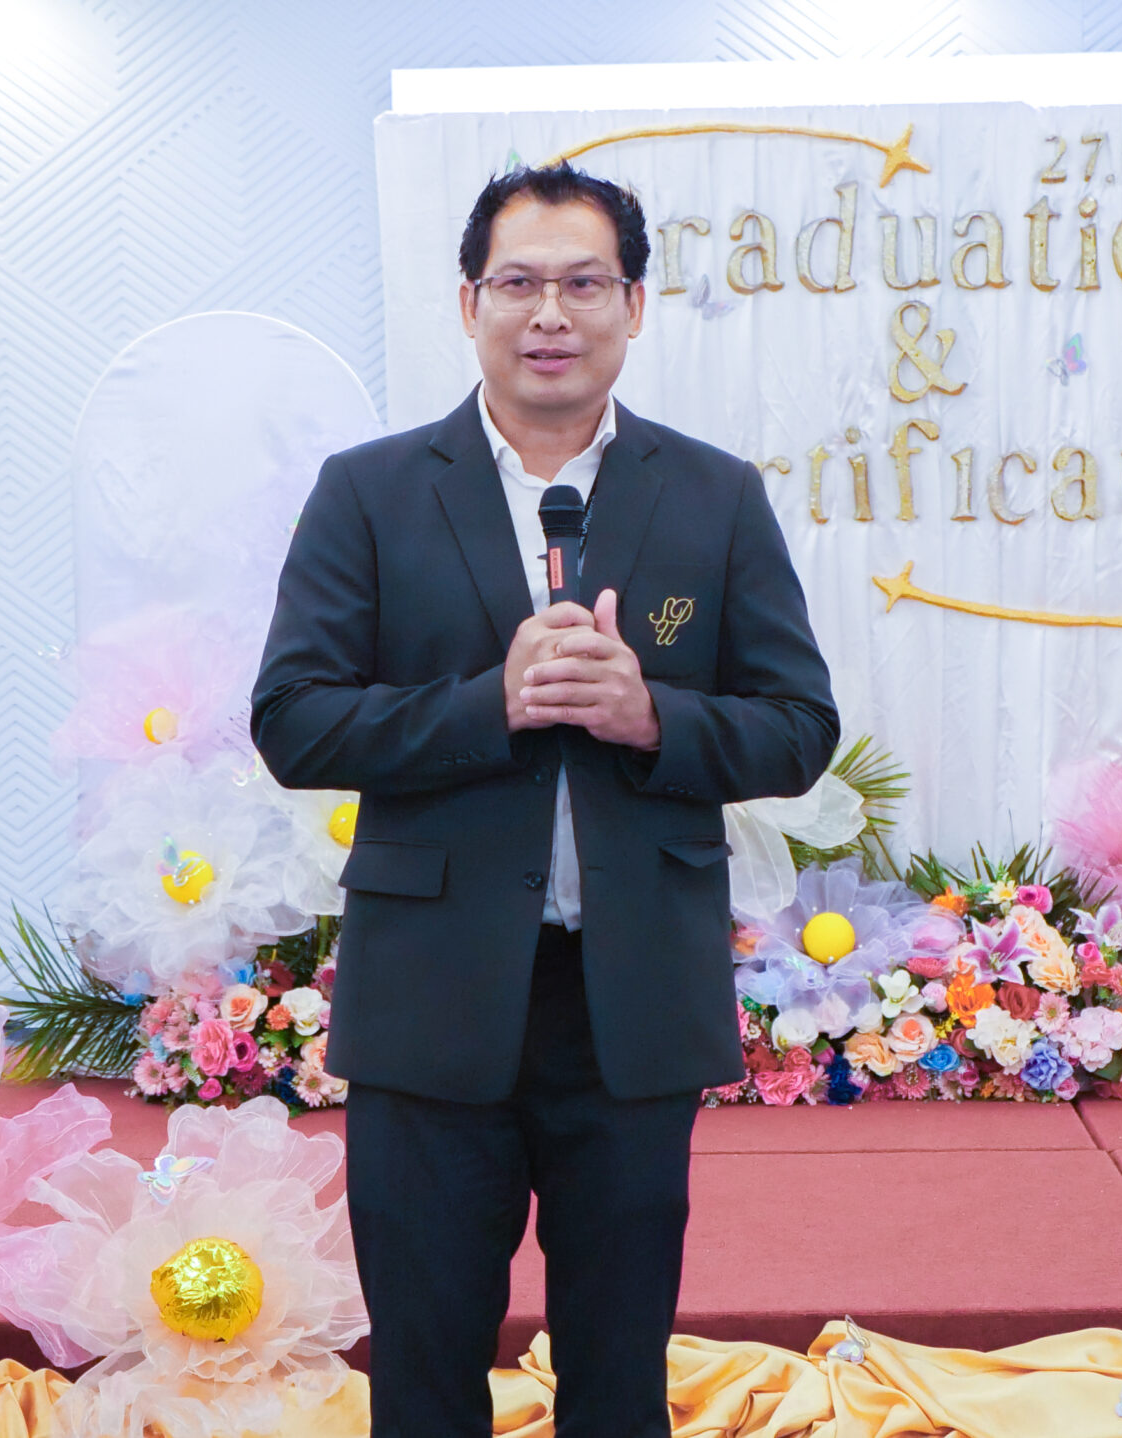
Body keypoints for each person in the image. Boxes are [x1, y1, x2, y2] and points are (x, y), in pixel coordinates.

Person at [250, 164, 838, 1436]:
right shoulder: (370, 490)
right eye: (518, 282)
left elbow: (799, 728)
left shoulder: (713, 494)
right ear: (470, 303)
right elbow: (292, 719)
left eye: (583, 283)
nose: (550, 313)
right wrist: (490, 703)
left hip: (629, 1000)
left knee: (619, 1379)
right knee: (424, 1372)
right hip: (432, 997)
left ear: (634, 304)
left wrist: (651, 716)